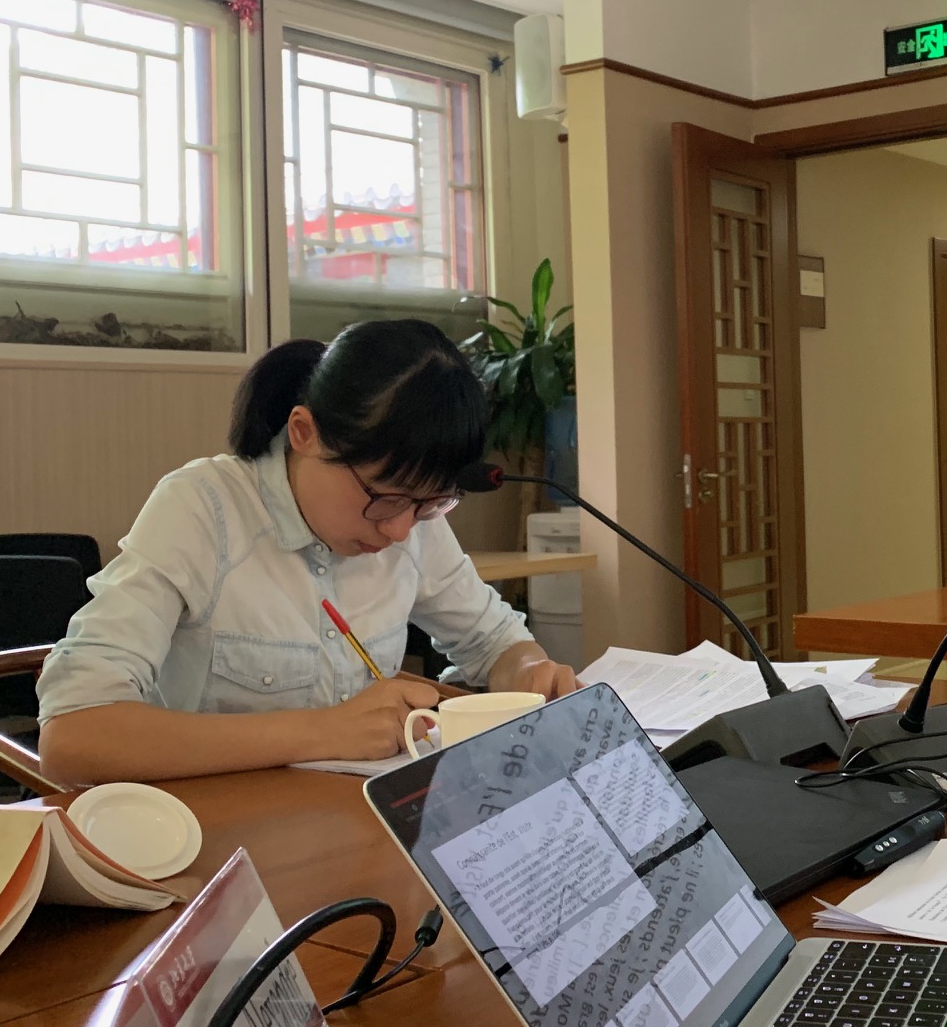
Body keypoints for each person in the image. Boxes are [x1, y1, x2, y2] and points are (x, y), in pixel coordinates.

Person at [38, 319, 579, 786]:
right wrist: (324, 731)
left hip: (357, 824)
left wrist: (529, 669)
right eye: (384, 497)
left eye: (430, 503)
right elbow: (74, 734)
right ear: (304, 433)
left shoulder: (412, 519)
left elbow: (494, 642)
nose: (398, 531)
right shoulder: (204, 510)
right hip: (215, 838)